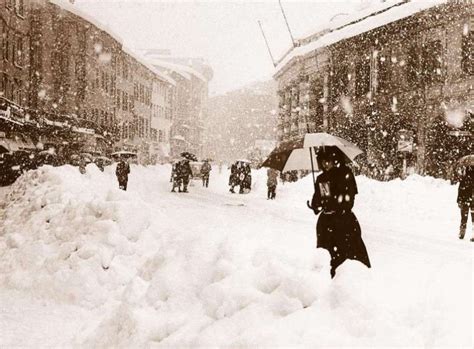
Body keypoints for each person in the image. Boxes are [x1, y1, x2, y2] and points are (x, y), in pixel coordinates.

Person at [309, 148, 371, 278]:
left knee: (349, 255)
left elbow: (349, 201)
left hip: (344, 223)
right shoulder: (321, 178)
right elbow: (319, 201)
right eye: (323, 161)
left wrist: (334, 204)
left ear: (335, 160)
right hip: (326, 225)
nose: (326, 164)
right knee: (327, 258)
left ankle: (352, 281)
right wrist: (316, 205)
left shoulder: (345, 174)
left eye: (329, 161)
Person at [457, 166, 473, 240]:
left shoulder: (464, 178)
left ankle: (462, 233)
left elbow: (460, 190)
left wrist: (459, 200)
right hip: (473, 201)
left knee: (463, 218)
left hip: (464, 200)